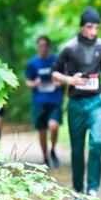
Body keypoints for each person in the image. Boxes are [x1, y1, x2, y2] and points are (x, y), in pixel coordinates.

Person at [51, 7, 101, 200]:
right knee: (77, 149)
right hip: (76, 103)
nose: (93, 31)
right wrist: (70, 80)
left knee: (97, 142)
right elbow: (54, 72)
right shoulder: (69, 48)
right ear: (82, 27)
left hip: (95, 101)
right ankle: (78, 190)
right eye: (89, 27)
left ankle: (93, 189)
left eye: (97, 27)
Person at [25, 36, 63, 167]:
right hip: (39, 101)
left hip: (55, 99)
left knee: (53, 126)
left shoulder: (56, 60)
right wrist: (34, 83)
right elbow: (27, 81)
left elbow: (65, 76)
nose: (43, 48)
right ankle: (45, 157)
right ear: (37, 46)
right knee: (41, 130)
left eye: (45, 45)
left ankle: (52, 150)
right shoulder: (33, 63)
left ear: (49, 46)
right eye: (41, 46)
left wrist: (59, 82)